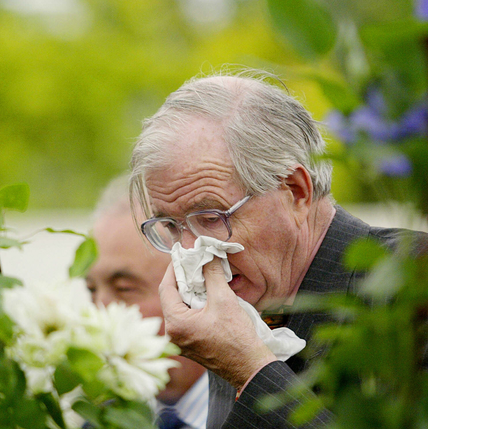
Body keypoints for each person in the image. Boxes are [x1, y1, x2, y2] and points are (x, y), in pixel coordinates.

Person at [127, 69, 428, 429]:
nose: (193, 251)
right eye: (171, 226)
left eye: (210, 217)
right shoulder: (241, 306)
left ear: (296, 191)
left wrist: (251, 368)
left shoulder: (417, 279)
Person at [85, 175, 210, 429]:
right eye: (91, 290)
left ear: (196, 289)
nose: (99, 312)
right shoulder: (102, 420)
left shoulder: (271, 408)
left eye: (124, 289)